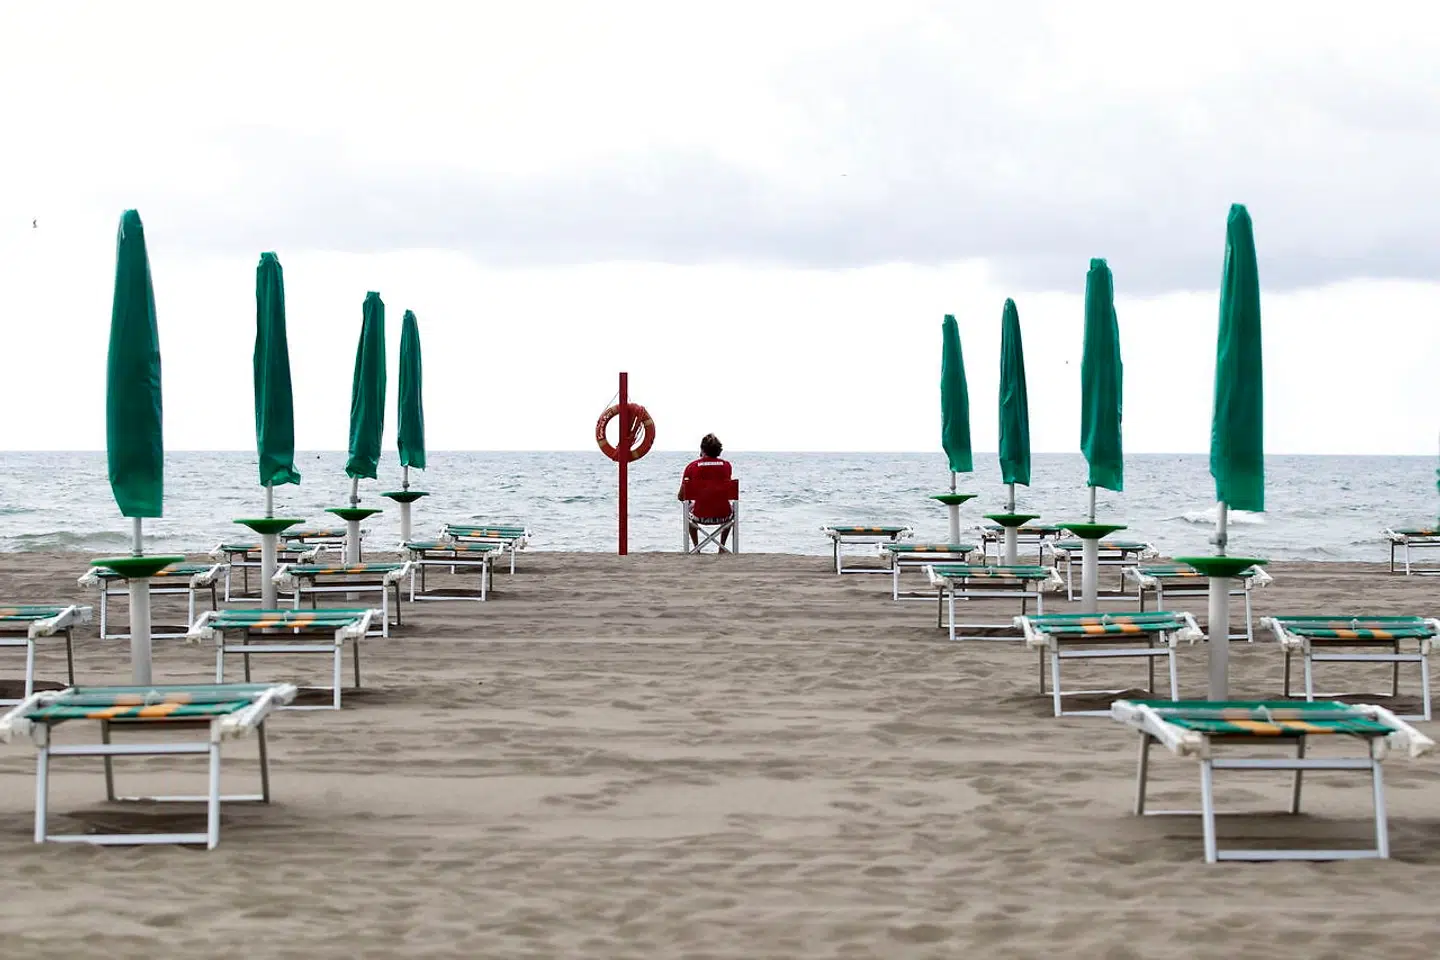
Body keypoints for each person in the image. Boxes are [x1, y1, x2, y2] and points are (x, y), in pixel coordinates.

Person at [678, 433, 733, 552]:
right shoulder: (726, 466)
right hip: (724, 515)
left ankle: (696, 548)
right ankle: (721, 547)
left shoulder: (692, 467)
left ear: (702, 449)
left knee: (687, 510)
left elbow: (681, 496)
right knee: (732, 509)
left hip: (699, 516)